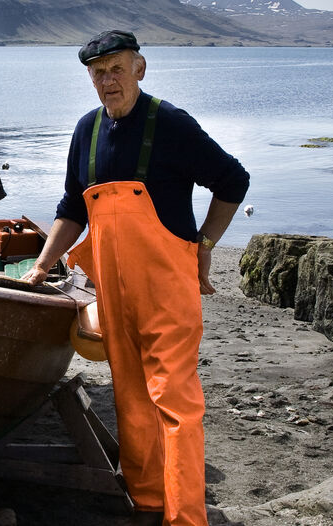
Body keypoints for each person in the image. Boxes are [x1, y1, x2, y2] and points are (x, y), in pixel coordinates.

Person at [23, 29, 250, 526]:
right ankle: (147, 504)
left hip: (168, 293)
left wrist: (205, 246)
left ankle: (186, 517)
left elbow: (234, 181)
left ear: (140, 69)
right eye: (98, 73)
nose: (109, 81)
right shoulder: (86, 131)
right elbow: (71, 208)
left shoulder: (171, 123)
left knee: (175, 402)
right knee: (130, 398)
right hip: (113, 294)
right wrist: (41, 265)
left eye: (117, 70)